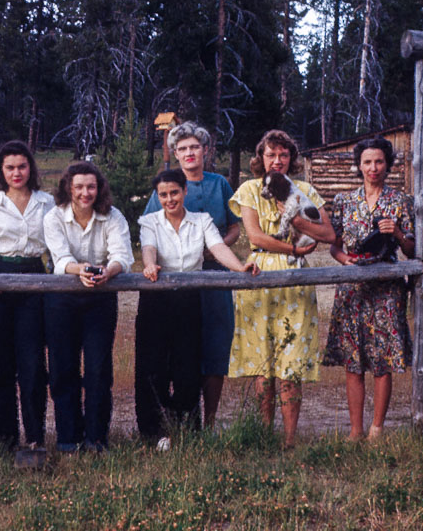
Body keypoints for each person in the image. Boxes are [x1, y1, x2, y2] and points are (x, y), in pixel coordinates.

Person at [137, 169, 259, 451]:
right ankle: (153, 432)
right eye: (164, 195)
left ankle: (185, 430)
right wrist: (149, 265)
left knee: (187, 364)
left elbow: (218, 248)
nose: (169, 199)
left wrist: (240, 266)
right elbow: (148, 248)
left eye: (174, 193)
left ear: (184, 192)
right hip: (156, 299)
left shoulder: (202, 221)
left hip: (190, 300)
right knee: (153, 365)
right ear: (158, 196)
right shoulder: (149, 221)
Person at [227, 130, 334, 448]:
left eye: (284, 155)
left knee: (292, 362)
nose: (277, 160)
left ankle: (289, 439)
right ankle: (262, 434)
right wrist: (295, 251)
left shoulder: (304, 190)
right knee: (264, 362)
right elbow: (256, 237)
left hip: (296, 281)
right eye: (271, 154)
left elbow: (327, 234)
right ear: (261, 158)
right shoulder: (249, 189)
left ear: (292, 159)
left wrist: (300, 224)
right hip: (261, 273)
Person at [143, 121, 240, 428]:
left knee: (214, 348)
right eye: (182, 148)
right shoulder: (166, 185)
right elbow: (149, 231)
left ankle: (207, 422)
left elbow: (235, 226)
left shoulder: (218, 183)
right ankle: (176, 419)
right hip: (176, 281)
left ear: (205, 150)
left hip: (214, 275)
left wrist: (216, 248)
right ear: (175, 152)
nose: (189, 153)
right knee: (179, 350)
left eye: (194, 147)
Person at [324, 137, 415, 441]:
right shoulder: (343, 201)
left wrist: (399, 233)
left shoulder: (400, 201)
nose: (373, 168)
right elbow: (334, 247)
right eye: (367, 162)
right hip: (352, 288)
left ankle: (377, 428)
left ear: (388, 164)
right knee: (353, 360)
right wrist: (344, 259)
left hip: (387, 288)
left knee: (382, 358)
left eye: (378, 161)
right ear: (358, 165)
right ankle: (355, 430)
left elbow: (412, 251)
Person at [0, 140, 54, 449]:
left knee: (32, 364)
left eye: (21, 166)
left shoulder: (47, 202)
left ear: (30, 168)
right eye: (9, 167)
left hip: (34, 281)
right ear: (0, 171)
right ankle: (3, 438)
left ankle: (34, 438)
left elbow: (57, 245)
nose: (16, 172)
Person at [43, 162, 133, 452]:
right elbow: (59, 259)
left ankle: (96, 438)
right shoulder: (54, 216)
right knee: (63, 368)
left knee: (98, 369)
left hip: (101, 297)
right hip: (62, 298)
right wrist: (77, 269)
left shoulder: (113, 216)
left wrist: (110, 270)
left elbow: (122, 255)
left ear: (99, 188)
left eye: (91, 186)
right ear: (68, 187)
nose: (85, 193)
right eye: (79, 186)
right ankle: (68, 439)